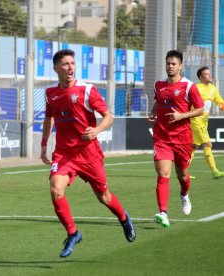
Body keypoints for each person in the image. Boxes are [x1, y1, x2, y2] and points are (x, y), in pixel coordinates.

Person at [40, 49, 136, 258]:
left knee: (104, 197)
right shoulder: (50, 94)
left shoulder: (86, 90)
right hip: (64, 153)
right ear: (56, 68)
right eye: (65, 64)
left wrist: (97, 130)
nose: (70, 67)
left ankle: (123, 218)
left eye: (73, 63)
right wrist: (43, 144)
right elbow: (49, 119)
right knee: (56, 190)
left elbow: (108, 116)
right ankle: (73, 233)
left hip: (89, 154)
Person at [148, 50, 204, 229]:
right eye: (168, 63)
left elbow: (200, 109)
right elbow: (159, 101)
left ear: (181, 66)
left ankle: (184, 194)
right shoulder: (158, 85)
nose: (170, 66)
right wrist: (153, 112)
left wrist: (181, 116)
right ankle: (163, 212)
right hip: (162, 137)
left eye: (174, 64)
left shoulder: (189, 86)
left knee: (183, 175)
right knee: (163, 173)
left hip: (182, 138)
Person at [190, 66, 224, 178]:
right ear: (201, 77)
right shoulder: (195, 88)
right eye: (206, 74)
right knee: (207, 143)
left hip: (204, 121)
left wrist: (222, 106)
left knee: (193, 146)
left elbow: (220, 102)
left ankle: (184, 172)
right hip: (195, 120)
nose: (209, 75)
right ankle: (214, 171)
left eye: (209, 73)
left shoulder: (213, 88)